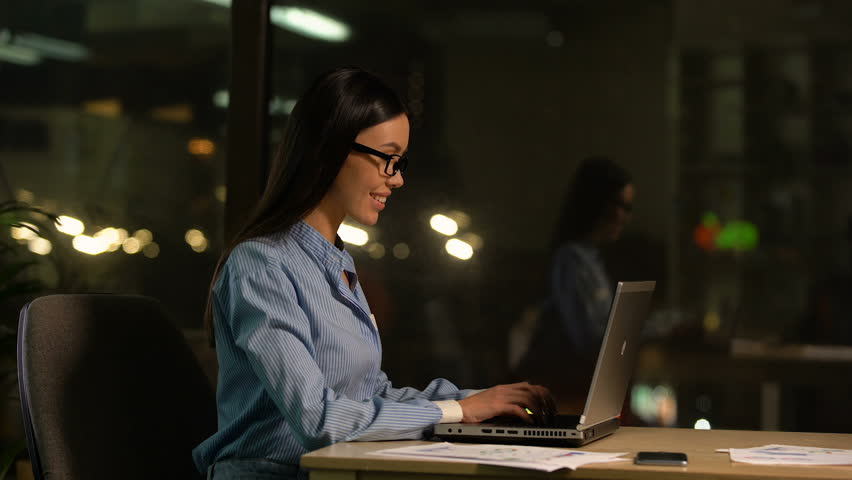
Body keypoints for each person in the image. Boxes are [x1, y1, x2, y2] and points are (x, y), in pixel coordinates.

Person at [192, 67, 554, 480]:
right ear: (331, 149)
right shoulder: (261, 264)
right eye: (388, 158)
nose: (396, 179)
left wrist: (478, 400)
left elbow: (370, 396)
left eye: (399, 163)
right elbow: (319, 419)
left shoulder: (336, 261)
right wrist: (458, 410)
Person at [512, 156, 633, 408]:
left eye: (628, 208)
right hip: (561, 392)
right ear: (597, 203)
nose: (624, 217)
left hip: (577, 387)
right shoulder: (570, 260)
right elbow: (586, 339)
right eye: (620, 205)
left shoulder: (591, 259)